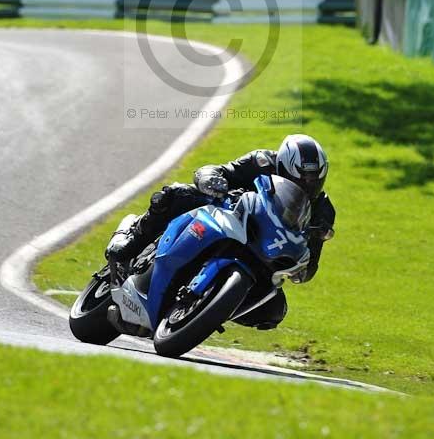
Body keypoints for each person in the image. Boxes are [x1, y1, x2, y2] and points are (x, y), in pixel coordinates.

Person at [106, 134, 336, 330]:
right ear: (283, 165)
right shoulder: (262, 161)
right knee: (175, 194)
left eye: (314, 180)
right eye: (301, 178)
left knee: (274, 310)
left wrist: (304, 260)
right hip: (228, 216)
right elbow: (219, 170)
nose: (307, 185)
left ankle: (206, 309)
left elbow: (310, 266)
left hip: (264, 251)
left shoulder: (323, 210)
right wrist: (211, 180)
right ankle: (132, 239)